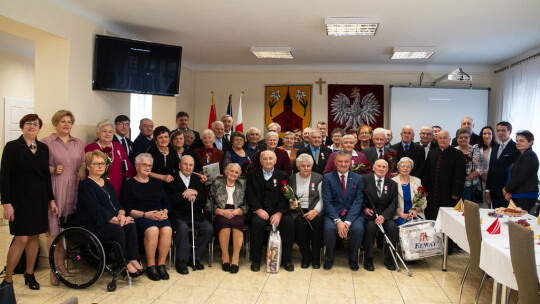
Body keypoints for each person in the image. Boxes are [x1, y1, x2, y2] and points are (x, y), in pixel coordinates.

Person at [1, 114, 57, 289]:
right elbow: (4, 177)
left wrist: (51, 199)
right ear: (22, 126)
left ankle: (30, 274)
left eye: (35, 124)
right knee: (22, 238)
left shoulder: (43, 148)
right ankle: (7, 279)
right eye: (28, 123)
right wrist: (6, 203)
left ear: (39, 128)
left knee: (34, 238)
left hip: (39, 199)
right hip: (19, 200)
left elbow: (46, 177)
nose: (32, 126)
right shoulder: (12, 147)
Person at [77, 150, 143, 278]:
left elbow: (117, 204)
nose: (100, 166)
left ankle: (133, 258)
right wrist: (118, 221)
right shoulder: (86, 185)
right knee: (117, 229)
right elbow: (96, 210)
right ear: (88, 166)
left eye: (103, 163)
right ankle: (124, 263)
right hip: (93, 223)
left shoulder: (106, 183)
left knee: (131, 224)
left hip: (110, 220)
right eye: (96, 164)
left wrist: (122, 215)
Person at [41, 110, 86, 286]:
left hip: (73, 189)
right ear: (55, 123)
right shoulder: (46, 142)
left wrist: (82, 170)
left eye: (69, 121)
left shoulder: (78, 142)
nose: (66, 124)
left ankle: (63, 265)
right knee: (53, 231)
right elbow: (39, 165)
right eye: (62, 121)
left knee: (65, 231)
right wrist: (52, 169)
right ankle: (54, 270)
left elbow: (82, 162)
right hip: (55, 188)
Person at [122, 153, 172, 281]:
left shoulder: (156, 183)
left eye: (150, 165)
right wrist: (145, 214)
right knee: (153, 230)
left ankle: (161, 265)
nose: (147, 167)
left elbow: (166, 202)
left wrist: (165, 211)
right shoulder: (130, 184)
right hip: (141, 217)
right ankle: (151, 266)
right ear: (137, 166)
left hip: (158, 215)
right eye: (144, 164)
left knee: (167, 230)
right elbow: (127, 208)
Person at [246, 150, 295, 272]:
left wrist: (279, 213)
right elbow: (249, 194)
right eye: (265, 158)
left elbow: (286, 197)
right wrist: (258, 209)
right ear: (260, 161)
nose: (268, 161)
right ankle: (256, 261)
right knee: (257, 224)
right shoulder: (252, 174)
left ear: (275, 160)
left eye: (270, 158)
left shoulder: (283, 176)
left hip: (278, 212)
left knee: (289, 223)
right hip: (260, 211)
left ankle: (286, 260)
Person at [166, 155, 213, 274]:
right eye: (185, 164)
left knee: (208, 228)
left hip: (195, 213)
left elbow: (203, 198)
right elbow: (171, 199)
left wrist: (195, 193)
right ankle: (181, 261)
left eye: (191, 165)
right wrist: (186, 195)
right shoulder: (172, 178)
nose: (188, 167)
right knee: (182, 228)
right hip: (178, 213)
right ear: (180, 165)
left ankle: (194, 258)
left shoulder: (197, 179)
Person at [322, 150, 365, 271]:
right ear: (335, 162)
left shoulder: (358, 178)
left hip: (353, 215)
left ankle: (353, 259)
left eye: (346, 161)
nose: (343, 164)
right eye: (340, 161)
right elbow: (327, 202)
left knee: (358, 229)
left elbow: (358, 202)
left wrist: (348, 222)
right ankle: (329, 258)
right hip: (333, 214)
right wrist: (338, 221)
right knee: (329, 229)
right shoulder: (327, 178)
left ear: (350, 162)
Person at [206, 163, 247, 274]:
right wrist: (220, 211)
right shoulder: (217, 183)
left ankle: (235, 259)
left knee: (237, 224)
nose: (233, 174)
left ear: (239, 175)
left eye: (236, 172)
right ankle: (225, 258)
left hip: (237, 211)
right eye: (231, 171)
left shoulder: (242, 184)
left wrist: (240, 210)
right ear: (226, 172)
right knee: (224, 224)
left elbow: (247, 204)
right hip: (221, 211)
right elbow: (209, 204)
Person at [362, 159, 399, 271]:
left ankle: (389, 259)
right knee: (370, 228)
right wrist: (364, 209)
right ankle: (368, 259)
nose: (381, 169)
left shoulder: (392, 184)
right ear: (374, 168)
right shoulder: (364, 180)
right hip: (370, 216)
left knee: (393, 229)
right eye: (379, 166)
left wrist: (384, 216)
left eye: (384, 167)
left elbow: (394, 204)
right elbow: (359, 197)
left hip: (384, 216)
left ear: (387, 170)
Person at [85, 119, 135, 198]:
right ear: (98, 133)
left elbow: (127, 165)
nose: (108, 134)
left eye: (110, 131)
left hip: (117, 185)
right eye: (104, 131)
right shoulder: (90, 148)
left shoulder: (118, 146)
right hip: (96, 186)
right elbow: (85, 167)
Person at [290, 154, 324, 269]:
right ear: (298, 167)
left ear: (312, 166)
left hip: (314, 210)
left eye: (308, 166)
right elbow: (288, 196)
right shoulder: (292, 178)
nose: (306, 168)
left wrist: (315, 211)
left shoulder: (318, 178)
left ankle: (315, 257)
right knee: (299, 225)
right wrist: (291, 204)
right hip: (298, 212)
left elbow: (322, 198)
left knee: (318, 224)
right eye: (303, 166)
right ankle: (306, 256)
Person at [423, 130, 466, 219]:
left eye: (445, 138)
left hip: (449, 192)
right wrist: (425, 188)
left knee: (447, 216)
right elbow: (426, 172)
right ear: (437, 139)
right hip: (432, 191)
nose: (442, 140)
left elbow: (460, 175)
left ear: (449, 139)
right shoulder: (432, 152)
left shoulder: (458, 154)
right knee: (431, 214)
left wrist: (456, 192)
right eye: (440, 138)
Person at [485, 122, 520, 208]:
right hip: (494, 190)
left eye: (503, 130)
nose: (500, 133)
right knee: (496, 215)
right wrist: (487, 189)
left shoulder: (516, 148)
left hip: (506, 191)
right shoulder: (495, 147)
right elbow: (491, 169)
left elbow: (515, 172)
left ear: (510, 131)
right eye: (498, 130)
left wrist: (508, 189)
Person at [503, 130, 539, 213]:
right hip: (516, 194)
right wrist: (506, 189)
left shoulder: (530, 155)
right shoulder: (520, 156)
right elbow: (512, 175)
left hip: (525, 196)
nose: (518, 143)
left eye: (521, 141)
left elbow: (521, 177)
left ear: (531, 142)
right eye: (517, 141)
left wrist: (507, 189)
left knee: (517, 222)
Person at [391, 157, 426, 226]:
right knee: (407, 229)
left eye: (408, 166)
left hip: (415, 214)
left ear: (411, 169)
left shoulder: (417, 181)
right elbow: (390, 203)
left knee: (423, 229)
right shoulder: (392, 182)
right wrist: (402, 214)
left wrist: (416, 210)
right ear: (398, 168)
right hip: (399, 215)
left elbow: (423, 201)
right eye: (403, 166)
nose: (405, 168)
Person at [455, 128, 485, 201]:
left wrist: (464, 179)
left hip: (470, 186)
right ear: (457, 139)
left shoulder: (475, 151)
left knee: (467, 209)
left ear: (469, 138)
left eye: (466, 137)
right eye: (461, 137)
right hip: (455, 186)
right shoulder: (453, 151)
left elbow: (480, 169)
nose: (463, 139)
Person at [478, 126, 497, 195]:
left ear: (493, 135)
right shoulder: (477, 148)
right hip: (479, 181)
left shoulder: (497, 148)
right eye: (484, 134)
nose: (487, 136)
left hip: (492, 181)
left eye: (489, 133)